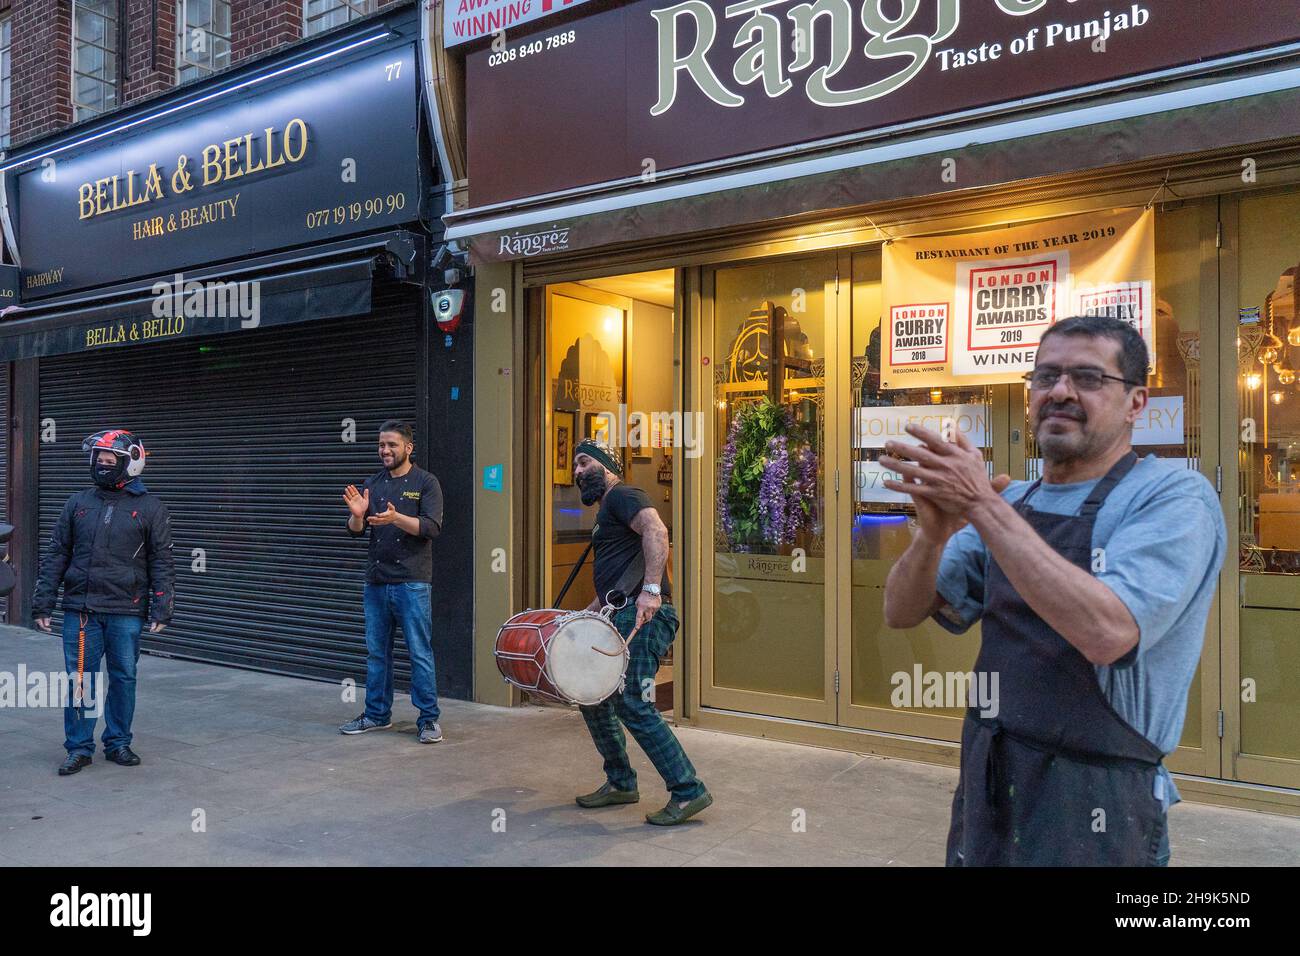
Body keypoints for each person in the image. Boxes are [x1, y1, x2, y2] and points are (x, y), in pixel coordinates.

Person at [881, 315, 1225, 866]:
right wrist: (932, 534)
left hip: (1099, 800)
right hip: (990, 780)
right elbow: (900, 611)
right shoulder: (1012, 500)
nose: (1060, 392)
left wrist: (982, 507)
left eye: (1088, 378)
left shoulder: (1171, 498)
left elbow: (1108, 633)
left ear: (1137, 402)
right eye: (1045, 377)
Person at [570, 438, 712, 826]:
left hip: (645, 615)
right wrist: (590, 611)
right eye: (576, 466)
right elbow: (618, 578)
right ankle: (620, 783)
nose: (578, 471)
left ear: (606, 464)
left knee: (633, 700)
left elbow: (656, 530)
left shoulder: (623, 495)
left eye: (585, 462)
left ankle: (688, 790)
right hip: (622, 611)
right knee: (593, 696)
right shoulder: (607, 511)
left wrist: (651, 590)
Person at [33, 430, 175, 776]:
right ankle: (79, 748)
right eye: (99, 459)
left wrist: (162, 606)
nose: (103, 465)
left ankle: (118, 743)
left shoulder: (150, 508)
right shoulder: (78, 503)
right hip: (81, 612)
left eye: (110, 461)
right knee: (80, 680)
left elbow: (161, 561)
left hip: (127, 610)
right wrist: (43, 602)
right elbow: (57, 554)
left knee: (124, 677)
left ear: (131, 464)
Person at [340, 420, 445, 744]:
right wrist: (357, 514)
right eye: (382, 445)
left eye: (392, 445)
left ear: (408, 448)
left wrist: (396, 517)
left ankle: (428, 720)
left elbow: (431, 528)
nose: (385, 450)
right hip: (376, 583)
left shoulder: (426, 482)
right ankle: (376, 714)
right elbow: (356, 531)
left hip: (412, 583)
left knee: (419, 653)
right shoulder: (374, 483)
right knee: (376, 653)